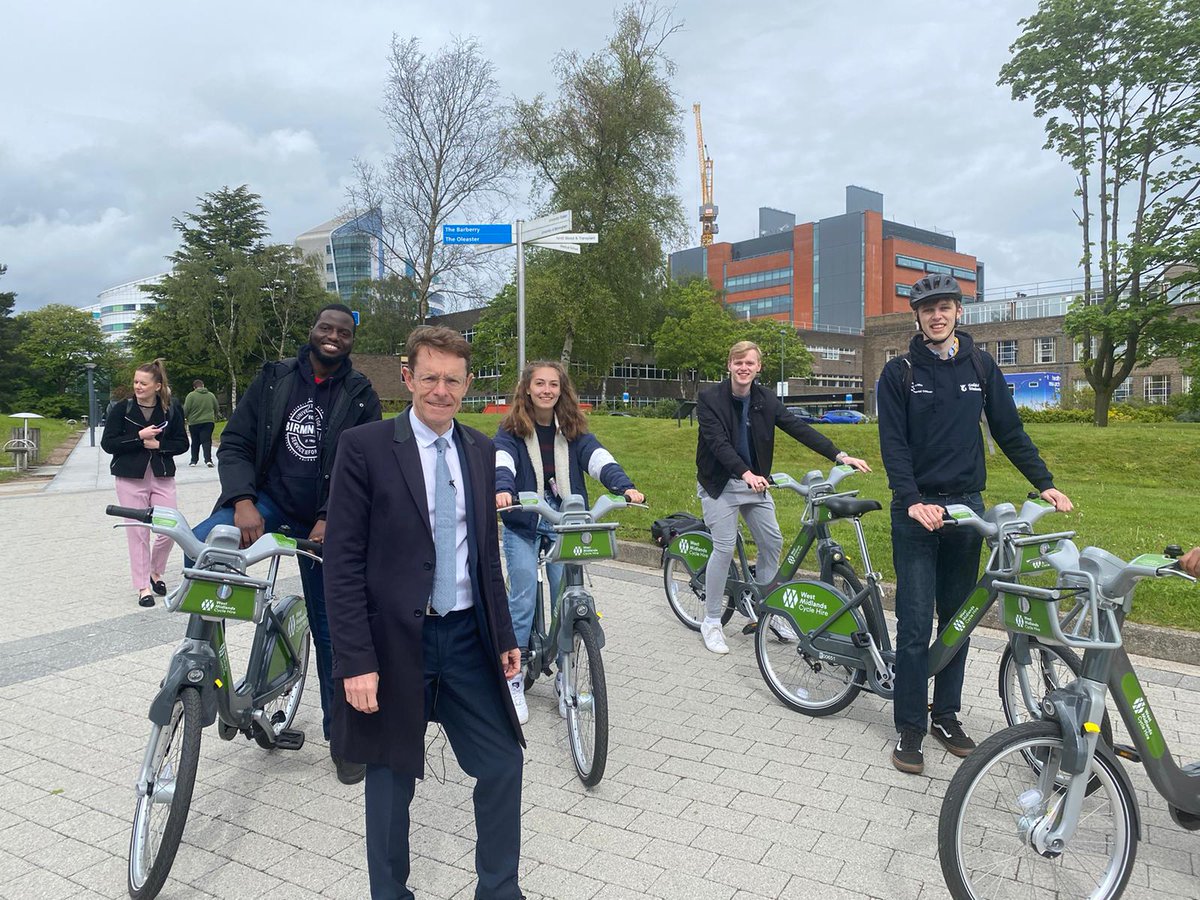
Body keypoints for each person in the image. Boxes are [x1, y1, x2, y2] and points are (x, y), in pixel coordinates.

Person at [323, 326, 525, 900]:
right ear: (407, 378)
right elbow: (341, 564)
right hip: (390, 644)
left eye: (453, 380)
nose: (441, 390)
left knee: (503, 762)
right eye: (430, 377)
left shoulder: (482, 451)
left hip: (465, 639)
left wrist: (504, 634)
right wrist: (354, 660)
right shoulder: (364, 448)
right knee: (390, 778)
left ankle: (500, 891)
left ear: (466, 384)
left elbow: (486, 557)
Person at [877, 273, 1073, 776]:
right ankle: (910, 729)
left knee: (959, 621)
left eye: (944, 307)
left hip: (967, 508)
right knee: (916, 624)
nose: (936, 315)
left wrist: (1043, 482)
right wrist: (912, 499)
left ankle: (945, 716)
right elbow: (893, 445)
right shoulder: (898, 372)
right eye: (927, 309)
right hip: (917, 511)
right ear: (916, 317)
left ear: (959, 312)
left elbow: (1009, 429)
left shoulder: (981, 366)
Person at [192, 303, 381, 785]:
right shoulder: (274, 379)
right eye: (326, 327)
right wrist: (241, 499)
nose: (334, 336)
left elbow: (362, 468)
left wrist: (328, 517)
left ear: (351, 340)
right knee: (202, 547)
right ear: (312, 331)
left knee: (334, 626)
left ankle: (345, 736)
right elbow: (233, 442)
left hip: (325, 521)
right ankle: (204, 675)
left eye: (344, 331)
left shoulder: (361, 395)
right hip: (267, 503)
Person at [695, 340, 871, 655]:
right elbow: (717, 442)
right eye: (738, 362)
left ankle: (770, 613)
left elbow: (798, 427)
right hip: (720, 483)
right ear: (729, 365)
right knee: (723, 548)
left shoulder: (766, 399)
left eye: (749, 363)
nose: (743, 368)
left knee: (772, 543)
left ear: (758, 367)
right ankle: (711, 621)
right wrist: (745, 472)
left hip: (756, 485)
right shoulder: (710, 399)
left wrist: (838, 455)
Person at [493, 361, 644, 724]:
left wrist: (623, 486)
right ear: (527, 388)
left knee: (566, 592)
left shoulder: (572, 429)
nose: (546, 390)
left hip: (565, 521)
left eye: (553, 384)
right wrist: (502, 490)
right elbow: (502, 462)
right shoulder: (511, 430)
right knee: (524, 593)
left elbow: (597, 458)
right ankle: (512, 679)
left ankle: (566, 673)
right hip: (525, 520)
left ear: (562, 389)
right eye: (539, 383)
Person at [101, 359, 189, 607]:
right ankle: (143, 587)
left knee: (170, 528)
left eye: (143, 382)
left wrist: (160, 445)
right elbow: (108, 444)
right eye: (135, 381)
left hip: (162, 476)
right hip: (130, 478)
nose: (137, 386)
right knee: (138, 533)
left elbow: (183, 444)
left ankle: (155, 570)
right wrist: (138, 438)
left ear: (158, 386)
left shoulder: (171, 409)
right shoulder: (122, 408)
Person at [183, 378, 220, 467]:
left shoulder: (190, 396)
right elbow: (216, 407)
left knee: (195, 441)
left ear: (194, 387)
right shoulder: (211, 395)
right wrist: (213, 416)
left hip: (194, 422)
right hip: (208, 421)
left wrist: (185, 418)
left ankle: (193, 461)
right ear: (203, 385)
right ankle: (208, 460)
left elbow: (186, 409)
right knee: (206, 440)